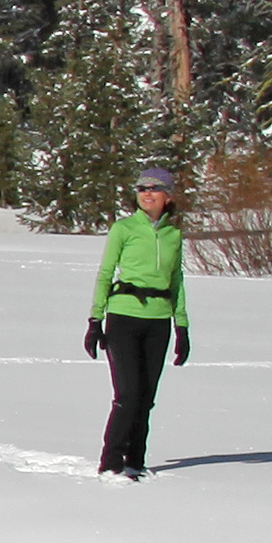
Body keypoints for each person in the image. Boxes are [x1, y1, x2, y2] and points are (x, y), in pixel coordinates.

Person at [81, 162, 192, 478]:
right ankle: (111, 461)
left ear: (168, 196)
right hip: (124, 318)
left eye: (155, 188)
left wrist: (181, 326)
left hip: (158, 322)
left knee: (146, 397)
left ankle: (136, 460)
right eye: (142, 188)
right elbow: (105, 274)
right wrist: (95, 320)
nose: (147, 194)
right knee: (127, 394)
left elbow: (177, 280)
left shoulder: (173, 234)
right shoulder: (124, 229)